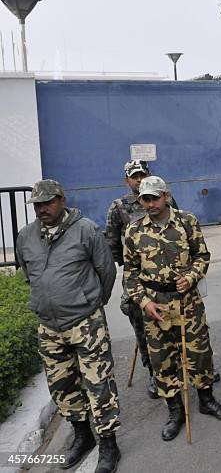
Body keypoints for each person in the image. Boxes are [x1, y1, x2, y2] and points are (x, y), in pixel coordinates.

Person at [16, 179, 120, 473]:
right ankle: (82, 436)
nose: (42, 209)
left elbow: (106, 270)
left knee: (99, 384)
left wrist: (91, 302)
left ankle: (109, 444)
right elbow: (28, 272)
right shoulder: (26, 236)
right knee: (62, 386)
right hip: (49, 327)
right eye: (37, 204)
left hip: (85, 323)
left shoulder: (85, 229)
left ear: (62, 200)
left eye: (47, 202)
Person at [123, 176, 221, 441]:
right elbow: (130, 274)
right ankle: (174, 411)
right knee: (163, 361)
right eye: (144, 199)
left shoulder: (187, 222)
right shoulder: (134, 230)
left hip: (187, 302)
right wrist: (144, 302)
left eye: (154, 198)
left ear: (166, 196)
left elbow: (202, 256)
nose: (149, 204)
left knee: (199, 353)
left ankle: (206, 400)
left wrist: (193, 276)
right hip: (155, 306)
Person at [105, 159, 177, 398]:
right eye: (134, 176)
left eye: (142, 174)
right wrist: (130, 265)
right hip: (138, 278)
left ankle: (185, 367)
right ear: (127, 180)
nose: (138, 179)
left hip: (169, 276)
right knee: (142, 325)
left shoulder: (166, 199)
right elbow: (112, 243)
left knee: (179, 322)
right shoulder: (119, 207)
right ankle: (154, 372)